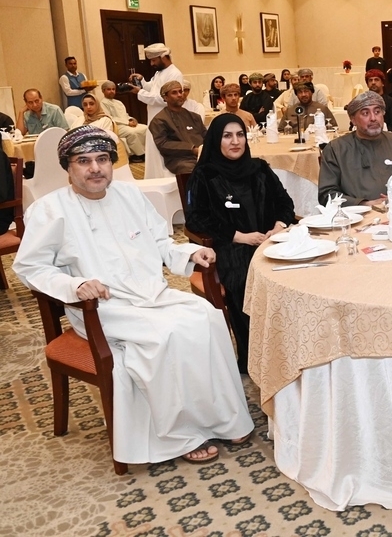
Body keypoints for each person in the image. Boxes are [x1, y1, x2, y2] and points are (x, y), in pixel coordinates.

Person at [13, 126, 254, 466]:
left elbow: (159, 241)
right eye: (84, 161)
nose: (95, 168)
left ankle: (221, 419)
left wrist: (187, 254)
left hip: (151, 293)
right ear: (68, 167)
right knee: (165, 336)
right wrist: (74, 286)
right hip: (101, 306)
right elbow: (31, 269)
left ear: (112, 163)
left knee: (209, 318)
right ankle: (180, 435)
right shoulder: (49, 210)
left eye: (102, 160)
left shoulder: (129, 195)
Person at [185, 114, 295, 373]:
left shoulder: (260, 169)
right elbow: (196, 218)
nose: (235, 142)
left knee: (297, 277)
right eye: (227, 136)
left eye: (240, 135)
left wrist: (277, 227)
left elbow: (285, 203)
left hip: (270, 243)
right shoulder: (205, 175)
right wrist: (239, 236)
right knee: (247, 280)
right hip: (230, 247)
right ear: (216, 140)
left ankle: (290, 350)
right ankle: (255, 358)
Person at [319, 91, 392, 205]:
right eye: (365, 113)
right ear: (353, 119)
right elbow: (327, 194)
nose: (373, 118)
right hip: (358, 217)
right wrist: (364, 204)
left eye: (377, 112)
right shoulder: (336, 149)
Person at [148, 80, 207, 175]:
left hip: (203, 155)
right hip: (181, 159)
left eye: (180, 91)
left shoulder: (194, 117)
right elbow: (163, 144)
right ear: (165, 97)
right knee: (193, 170)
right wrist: (191, 149)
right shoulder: (159, 120)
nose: (180, 95)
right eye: (174, 93)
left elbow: (206, 136)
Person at [128, 43, 183, 119]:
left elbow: (165, 99)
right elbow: (152, 89)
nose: (151, 64)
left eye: (154, 60)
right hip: (155, 115)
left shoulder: (174, 74)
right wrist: (142, 80)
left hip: (166, 118)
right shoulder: (159, 72)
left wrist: (140, 92)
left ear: (163, 58)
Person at [100, 81, 146, 161]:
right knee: (132, 133)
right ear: (103, 91)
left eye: (113, 89)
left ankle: (146, 151)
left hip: (126, 124)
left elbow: (125, 115)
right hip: (116, 126)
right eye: (109, 89)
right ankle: (137, 155)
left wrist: (131, 119)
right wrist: (127, 123)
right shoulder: (102, 103)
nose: (112, 91)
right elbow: (109, 118)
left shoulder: (118, 102)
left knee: (145, 128)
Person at [364, 68, 392, 133]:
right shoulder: (362, 102)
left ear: (382, 83)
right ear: (367, 84)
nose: (373, 82)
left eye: (376, 80)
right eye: (370, 80)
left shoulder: (391, 102)